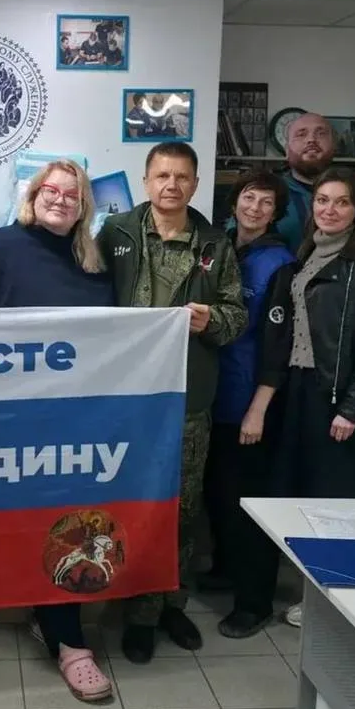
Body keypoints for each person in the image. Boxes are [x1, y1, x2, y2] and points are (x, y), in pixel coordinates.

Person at [0, 159, 115, 703]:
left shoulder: (92, 261)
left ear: (84, 207)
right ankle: (25, 609)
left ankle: (69, 642)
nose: (60, 199)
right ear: (32, 196)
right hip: (2, 416)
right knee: (3, 522)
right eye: (50, 190)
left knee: (66, 523)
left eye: (72, 195)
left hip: (69, 420)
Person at [98, 142, 247, 663]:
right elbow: (88, 300)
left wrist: (213, 321)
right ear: (146, 181)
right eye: (162, 176)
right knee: (131, 504)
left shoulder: (215, 243)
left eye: (182, 177)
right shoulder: (115, 233)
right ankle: (136, 608)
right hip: (124, 398)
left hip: (187, 397)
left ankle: (170, 604)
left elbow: (237, 313)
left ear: (196, 184)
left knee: (181, 507)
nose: (172, 185)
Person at [269, 167, 355, 627]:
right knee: (308, 496)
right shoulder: (306, 254)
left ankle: (342, 599)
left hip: (341, 398)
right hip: (302, 389)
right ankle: (320, 592)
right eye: (322, 200)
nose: (330, 209)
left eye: (341, 202)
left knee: (340, 501)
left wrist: (351, 408)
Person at [199, 171, 295, 639]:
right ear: (235, 201)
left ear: (276, 212)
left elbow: (279, 346)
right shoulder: (218, 248)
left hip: (251, 403)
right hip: (215, 397)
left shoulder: (279, 263)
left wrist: (258, 408)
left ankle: (254, 602)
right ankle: (224, 570)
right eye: (248, 197)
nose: (255, 208)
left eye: (266, 202)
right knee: (217, 494)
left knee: (248, 505)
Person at [273, 113, 355, 263]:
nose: (311, 139)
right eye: (301, 134)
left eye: (321, 133)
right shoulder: (269, 196)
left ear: (334, 146)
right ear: (286, 149)